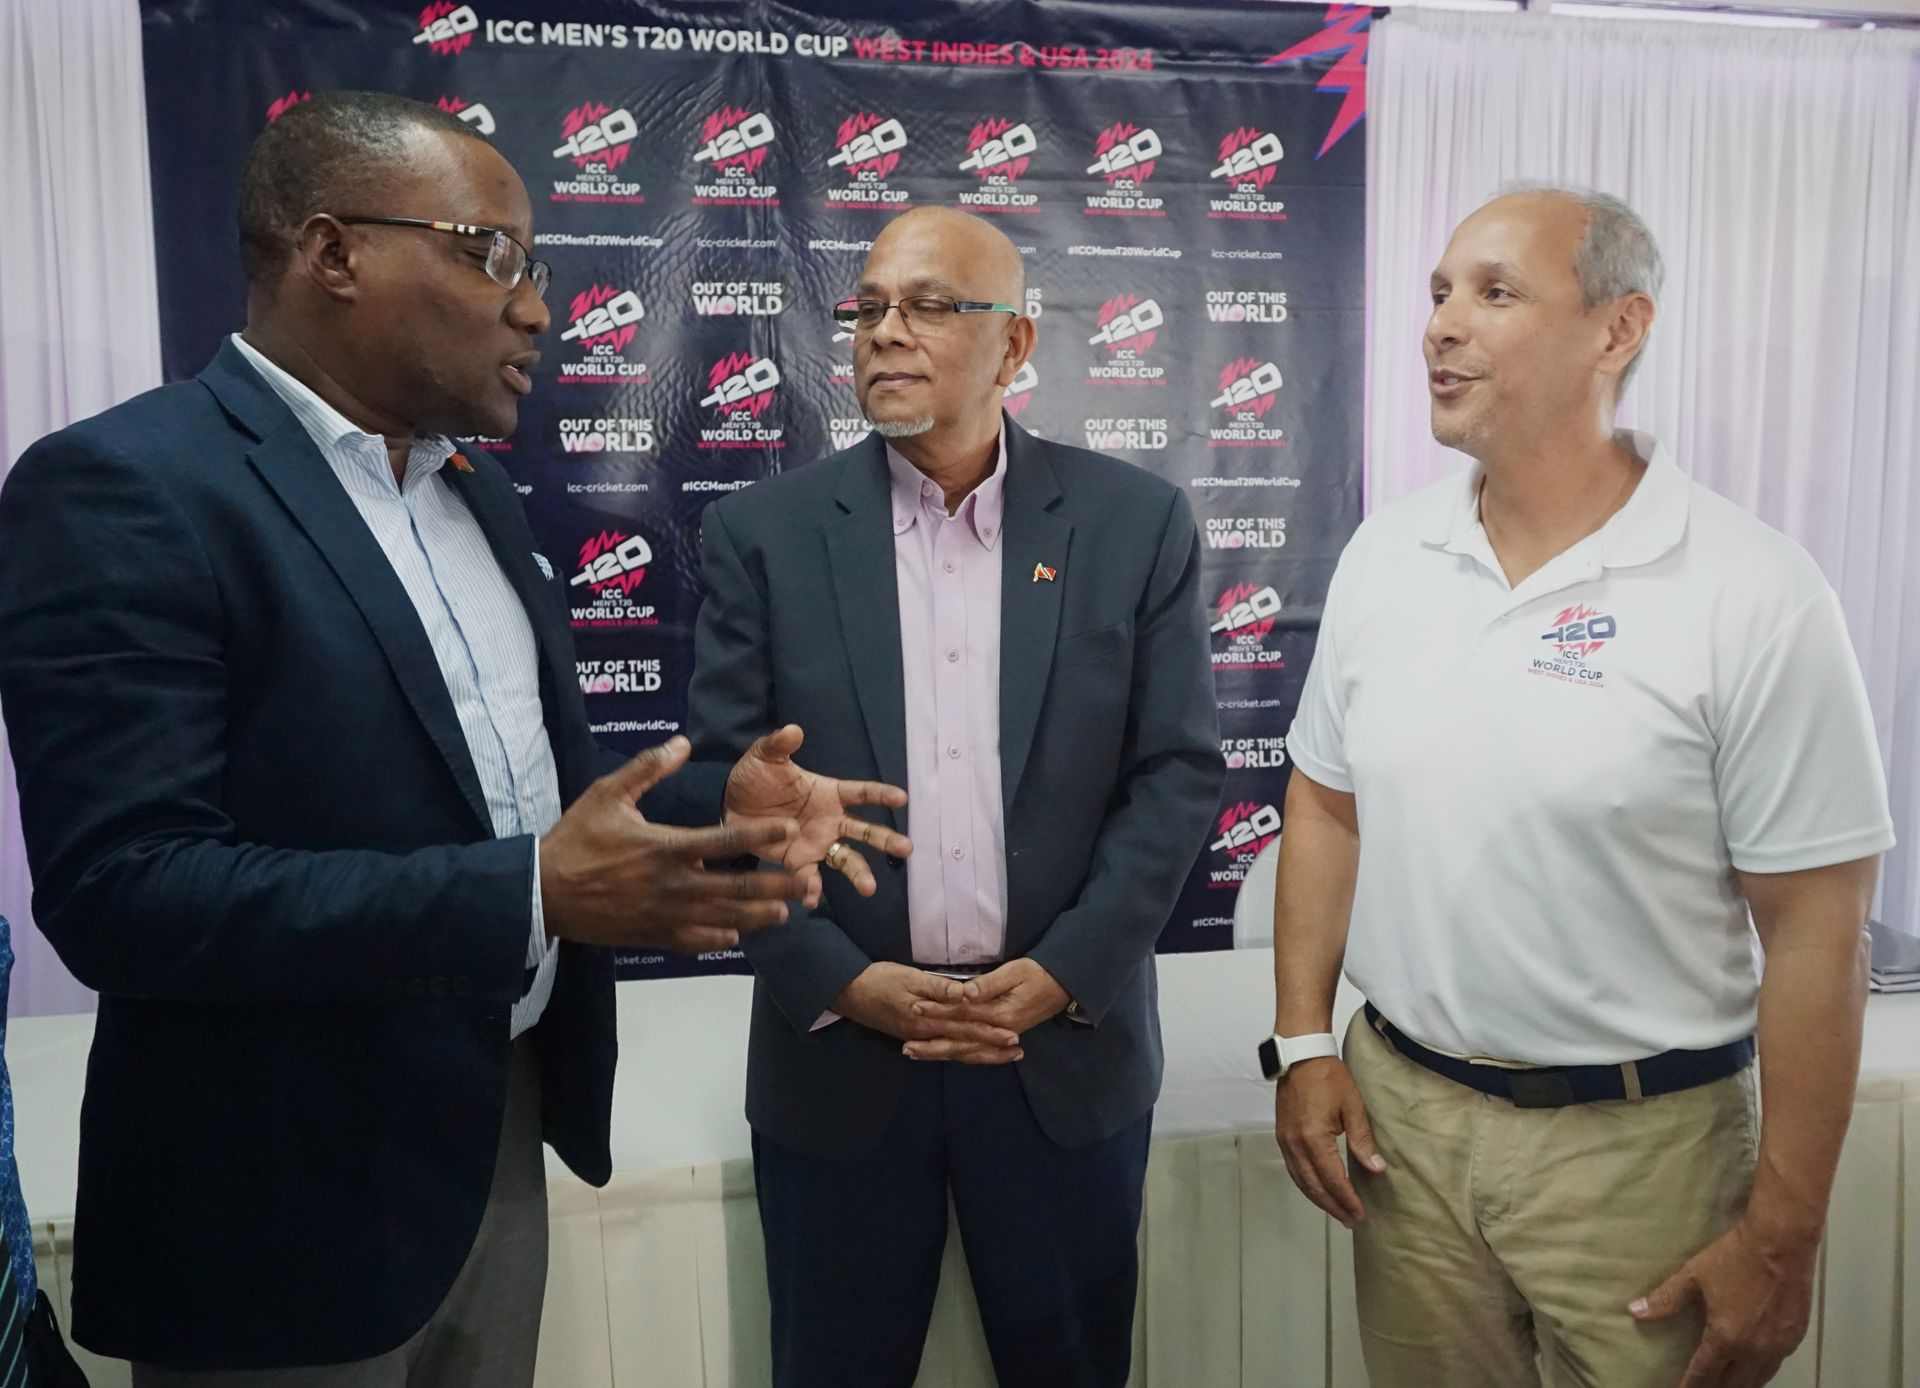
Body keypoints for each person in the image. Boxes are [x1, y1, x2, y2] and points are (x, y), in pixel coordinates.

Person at [0, 92, 905, 1387]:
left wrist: (719, 809)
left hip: (495, 1134)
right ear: (333, 252)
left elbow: (509, 799)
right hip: (277, 1215)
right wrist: (528, 894)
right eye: (493, 256)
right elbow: (124, 890)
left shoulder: (475, 494)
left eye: (538, 270)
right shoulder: (127, 484)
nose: (536, 309)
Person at [1266, 184, 1894, 1388]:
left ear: (1619, 329)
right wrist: (1301, 1039)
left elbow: (1818, 932)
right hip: (1404, 1132)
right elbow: (1326, 802)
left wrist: (1783, 1232)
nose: (1443, 323)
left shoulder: (1756, 592)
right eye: (1439, 292)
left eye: (1495, 291)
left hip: (1645, 1153)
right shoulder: (1386, 554)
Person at [686, 205, 1225, 1387]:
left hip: (1060, 1060)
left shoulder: (1134, 525)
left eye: (929, 305)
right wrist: (842, 980)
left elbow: (1177, 772)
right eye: (870, 306)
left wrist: (1066, 969)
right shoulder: (763, 535)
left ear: (1015, 344)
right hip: (839, 1065)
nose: (886, 331)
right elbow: (718, 795)